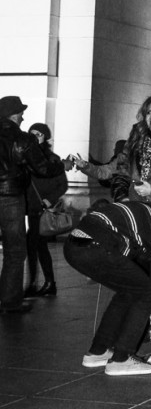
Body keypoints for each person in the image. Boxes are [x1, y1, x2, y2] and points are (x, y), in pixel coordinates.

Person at [63, 196, 151, 374]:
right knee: (146, 293)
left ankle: (98, 351)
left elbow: (148, 256)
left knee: (129, 291)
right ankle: (121, 359)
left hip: (74, 245)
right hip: (98, 245)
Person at [0, 96, 73, 315]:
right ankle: (10, 302)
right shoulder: (21, 139)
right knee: (14, 250)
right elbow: (42, 168)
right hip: (10, 196)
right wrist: (62, 165)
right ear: (14, 114)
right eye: (21, 112)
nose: (23, 116)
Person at [25, 122, 69, 297]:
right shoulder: (27, 157)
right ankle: (46, 283)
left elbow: (62, 184)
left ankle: (37, 284)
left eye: (39, 134)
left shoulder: (52, 159)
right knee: (38, 244)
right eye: (32, 133)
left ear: (45, 137)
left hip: (42, 208)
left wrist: (49, 200)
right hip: (30, 206)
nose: (35, 136)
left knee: (35, 243)